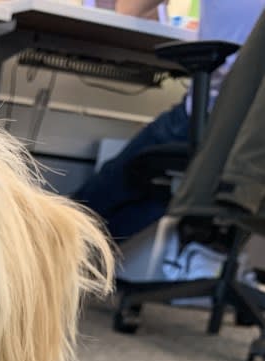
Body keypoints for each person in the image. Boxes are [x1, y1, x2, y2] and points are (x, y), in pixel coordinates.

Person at [74, 0, 265, 244]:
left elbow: (129, 11)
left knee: (126, 176)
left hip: (216, 119)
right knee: (166, 187)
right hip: (253, 148)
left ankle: (57, 248)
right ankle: (84, 258)